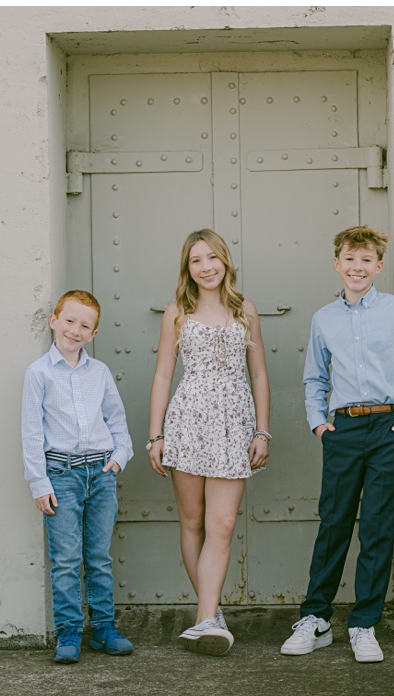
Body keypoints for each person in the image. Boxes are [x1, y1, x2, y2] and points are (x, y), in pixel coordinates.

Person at [280, 225, 394, 663]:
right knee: (334, 521)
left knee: (377, 525)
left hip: (392, 429)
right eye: (350, 260)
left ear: (378, 266)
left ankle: (363, 623)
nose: (357, 267)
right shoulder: (324, 319)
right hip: (344, 431)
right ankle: (315, 620)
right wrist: (319, 424)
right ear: (337, 264)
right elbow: (315, 378)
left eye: (366, 260)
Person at [147, 229, 270, 656]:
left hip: (235, 425)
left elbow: (259, 375)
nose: (206, 266)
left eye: (213, 257)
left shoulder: (246, 311)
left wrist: (262, 430)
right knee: (193, 522)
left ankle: (205, 619)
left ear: (225, 262)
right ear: (188, 268)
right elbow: (163, 374)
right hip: (188, 423)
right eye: (197, 260)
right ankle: (210, 618)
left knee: (222, 524)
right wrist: (156, 434)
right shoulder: (176, 313)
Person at [22, 289, 134, 664]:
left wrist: (118, 458)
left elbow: (116, 419)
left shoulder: (99, 373)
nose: (75, 330)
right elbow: (32, 432)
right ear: (54, 321)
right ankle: (68, 632)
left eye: (85, 325)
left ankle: (104, 628)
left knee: (98, 557)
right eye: (69, 321)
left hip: (100, 474)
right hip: (61, 476)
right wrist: (39, 483)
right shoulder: (38, 373)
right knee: (66, 559)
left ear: (94, 334)